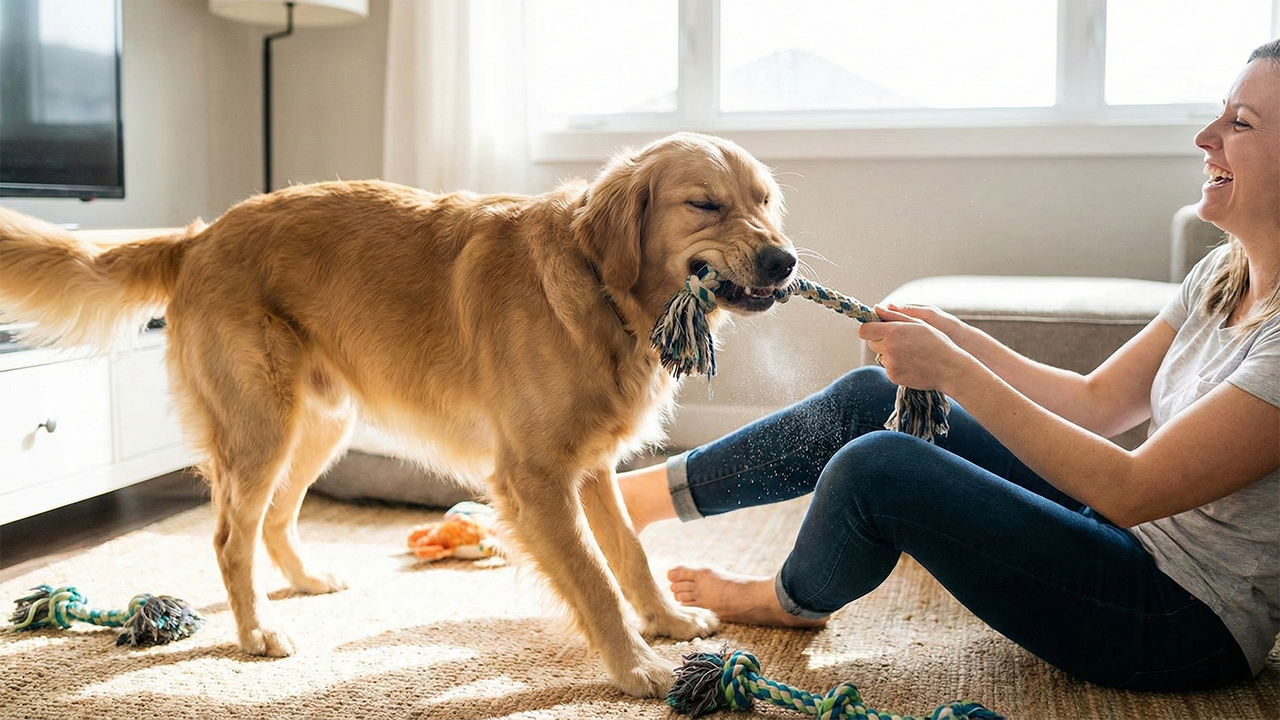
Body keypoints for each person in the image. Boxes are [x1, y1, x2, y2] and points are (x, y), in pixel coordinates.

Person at [619, 39, 1280, 692]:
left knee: (879, 467)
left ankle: (786, 599)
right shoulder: (1219, 275)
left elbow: (1133, 490)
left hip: (1181, 620)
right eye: (1219, 114)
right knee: (871, 396)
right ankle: (627, 500)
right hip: (1118, 534)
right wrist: (960, 341)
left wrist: (955, 373)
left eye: (1240, 124)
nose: (1206, 137)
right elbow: (1096, 402)